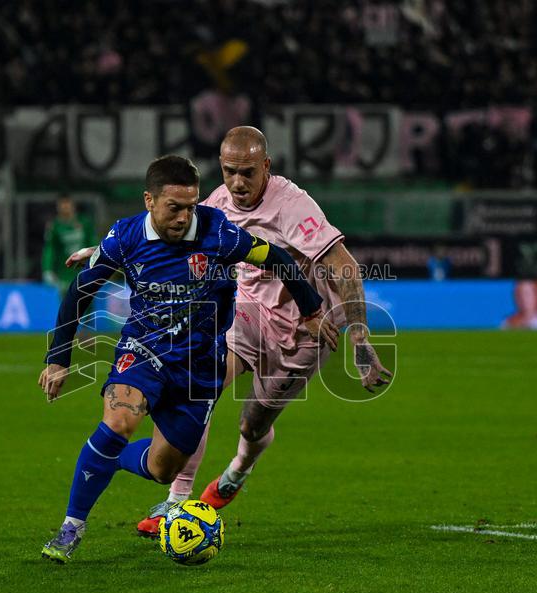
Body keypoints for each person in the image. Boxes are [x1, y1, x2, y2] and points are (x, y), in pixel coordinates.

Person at [67, 127, 392, 537]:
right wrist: (100, 254)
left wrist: (360, 341)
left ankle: (238, 470)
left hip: (305, 332)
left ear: (266, 168)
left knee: (252, 425)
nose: (237, 183)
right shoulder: (216, 203)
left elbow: (345, 266)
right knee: (201, 389)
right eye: (229, 172)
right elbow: (165, 231)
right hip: (247, 314)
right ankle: (177, 502)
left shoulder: (293, 206)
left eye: (247, 173)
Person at [38, 155, 337, 563]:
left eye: (191, 206)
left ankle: (108, 455)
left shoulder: (219, 234)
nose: (183, 217)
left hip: (200, 367)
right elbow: (80, 292)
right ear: (149, 201)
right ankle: (72, 528)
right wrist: (58, 359)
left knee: (162, 468)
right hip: (143, 349)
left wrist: (312, 311)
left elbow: (278, 259)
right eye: (174, 207)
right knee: (119, 421)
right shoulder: (125, 237)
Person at [42, 195, 95, 292]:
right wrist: (47, 269)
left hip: (84, 270)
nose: (65, 208)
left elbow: (93, 244)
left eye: (67, 205)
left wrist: (97, 263)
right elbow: (50, 249)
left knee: (87, 303)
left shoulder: (84, 223)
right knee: (68, 302)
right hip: (64, 273)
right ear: (58, 208)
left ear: (73, 206)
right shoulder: (55, 226)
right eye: (62, 205)